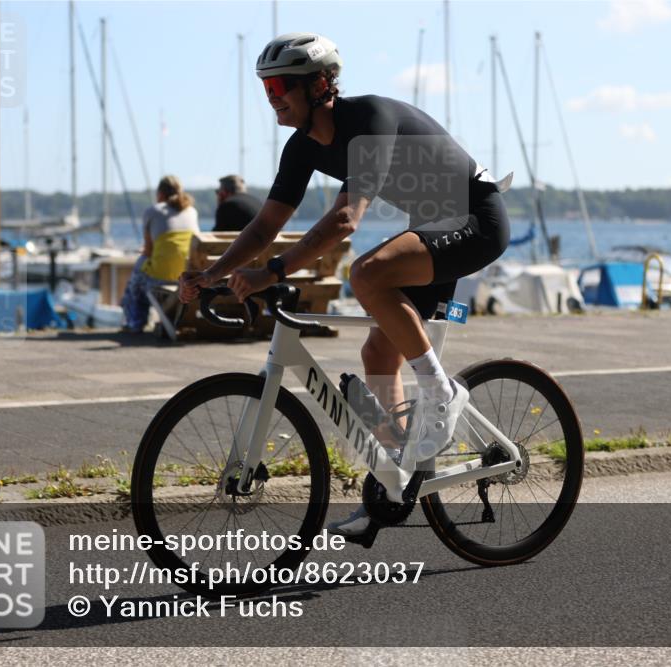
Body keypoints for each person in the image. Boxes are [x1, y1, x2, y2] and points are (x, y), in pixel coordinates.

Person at [178, 33, 510, 540]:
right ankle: (393, 483)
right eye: (266, 89)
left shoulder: (370, 120)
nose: (273, 99)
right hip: (434, 220)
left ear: (319, 85)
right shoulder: (301, 148)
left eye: (281, 87)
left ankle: (441, 395)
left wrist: (272, 273)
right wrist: (212, 274)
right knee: (378, 354)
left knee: (366, 272)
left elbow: (345, 221)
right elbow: (263, 228)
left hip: (476, 217)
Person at [121, 175, 200, 333]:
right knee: (142, 268)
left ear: (160, 194)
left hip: (161, 276)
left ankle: (136, 322)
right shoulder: (191, 211)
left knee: (138, 272)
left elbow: (149, 251)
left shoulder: (153, 211)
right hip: (186, 276)